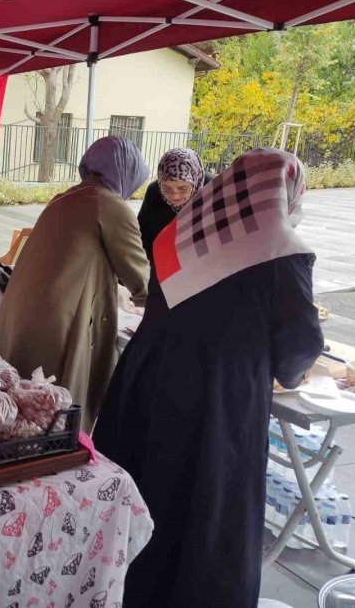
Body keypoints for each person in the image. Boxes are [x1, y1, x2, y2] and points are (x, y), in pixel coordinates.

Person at [93, 150, 324, 608]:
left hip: (148, 381)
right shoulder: (278, 248)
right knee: (205, 514)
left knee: (149, 499)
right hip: (218, 399)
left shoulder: (184, 230)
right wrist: (290, 373)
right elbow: (299, 346)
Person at [0, 136, 150, 430]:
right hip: (57, 322)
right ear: (125, 171)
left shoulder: (66, 197)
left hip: (22, 312)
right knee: (52, 413)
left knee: (20, 407)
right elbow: (139, 277)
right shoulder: (110, 206)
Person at [137, 147, 210, 267]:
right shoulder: (154, 191)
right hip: (163, 267)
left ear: (195, 181)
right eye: (166, 188)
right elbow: (143, 238)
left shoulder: (211, 188)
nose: (175, 196)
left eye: (183, 188)